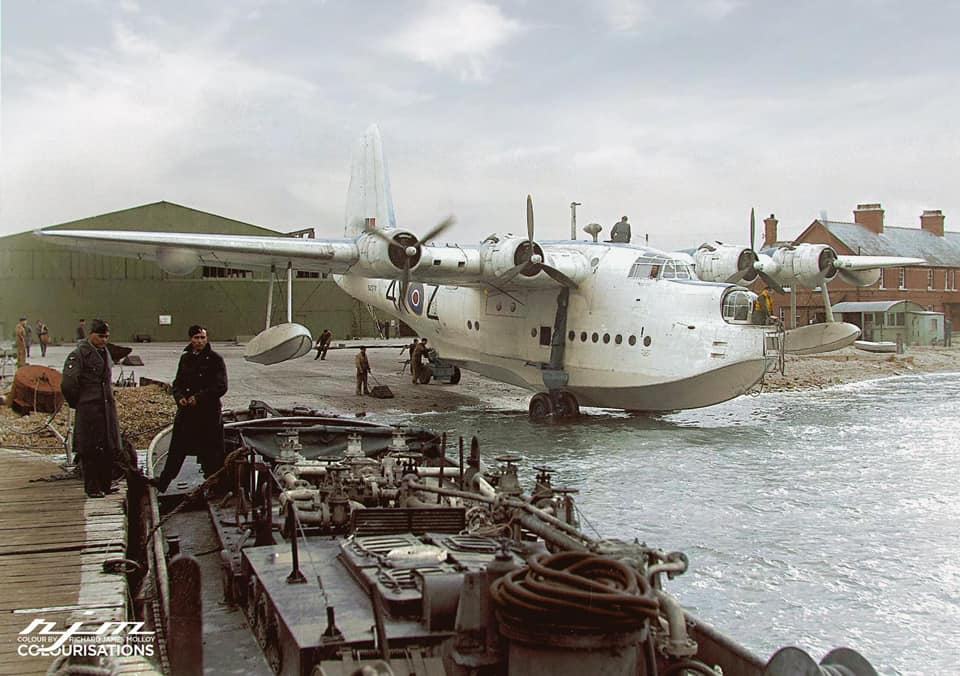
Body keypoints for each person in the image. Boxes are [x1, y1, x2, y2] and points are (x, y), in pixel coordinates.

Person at [151, 325, 228, 492]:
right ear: (191, 340)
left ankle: (214, 485)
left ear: (206, 339)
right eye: (196, 338)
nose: (199, 341)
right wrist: (180, 398)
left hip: (208, 415)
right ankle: (163, 482)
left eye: (202, 338)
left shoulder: (215, 359)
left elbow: (221, 386)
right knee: (177, 449)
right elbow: (177, 383)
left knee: (211, 453)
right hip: (187, 414)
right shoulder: (185, 358)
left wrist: (199, 398)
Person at [61, 319, 121, 498]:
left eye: (107, 337)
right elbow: (68, 383)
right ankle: (93, 488)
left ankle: (106, 484)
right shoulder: (78, 354)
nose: (104, 340)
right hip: (90, 409)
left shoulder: (105, 352)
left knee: (108, 446)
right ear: (91, 335)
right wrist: (80, 402)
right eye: (100, 336)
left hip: (106, 408)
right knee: (90, 450)